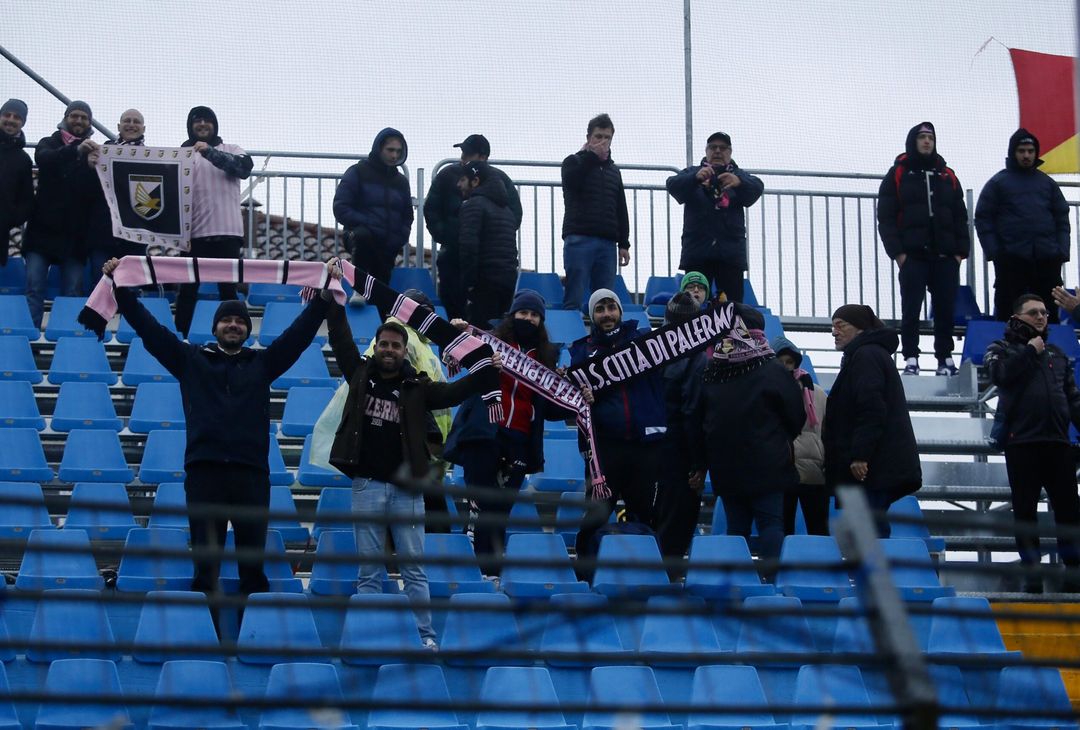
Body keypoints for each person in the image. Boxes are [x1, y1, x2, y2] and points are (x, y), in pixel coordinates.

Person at [101, 256, 333, 631]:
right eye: (227, 319)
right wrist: (121, 289)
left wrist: (322, 299)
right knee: (205, 568)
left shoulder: (264, 363)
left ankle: (254, 637)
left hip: (251, 475)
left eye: (240, 320)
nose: (234, 324)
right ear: (215, 327)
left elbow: (300, 336)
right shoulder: (190, 360)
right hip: (205, 471)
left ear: (247, 328)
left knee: (252, 567)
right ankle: (203, 638)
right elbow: (150, 330)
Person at [324, 285, 502, 649]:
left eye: (396, 345)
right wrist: (331, 300)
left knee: (414, 570)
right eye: (384, 344)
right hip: (367, 486)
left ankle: (425, 636)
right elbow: (341, 339)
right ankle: (369, 637)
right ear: (376, 348)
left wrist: (486, 372)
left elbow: (454, 392)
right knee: (369, 571)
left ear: (406, 351)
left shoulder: (417, 387)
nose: (389, 350)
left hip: (408, 491)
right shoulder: (358, 375)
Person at [445, 290, 570, 565]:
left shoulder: (547, 359)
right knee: (481, 507)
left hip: (519, 441)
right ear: (512, 315)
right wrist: (454, 330)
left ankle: (491, 570)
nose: (528, 318)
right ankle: (476, 572)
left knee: (501, 510)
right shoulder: (488, 343)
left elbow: (550, 411)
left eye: (535, 315)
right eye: (523, 313)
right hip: (483, 434)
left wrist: (569, 392)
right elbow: (455, 350)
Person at [693, 305, 805, 565]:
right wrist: (780, 438)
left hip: (726, 466)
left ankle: (737, 584)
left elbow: (698, 419)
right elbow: (796, 414)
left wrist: (702, 461)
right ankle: (772, 583)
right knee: (771, 525)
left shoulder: (711, 371)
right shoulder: (773, 370)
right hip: (769, 463)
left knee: (736, 529)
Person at [984, 294, 1080, 593]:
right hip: (1022, 444)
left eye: (1045, 313)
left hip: (1059, 443)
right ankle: (1032, 572)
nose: (1041, 317)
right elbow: (1000, 375)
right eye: (1034, 312)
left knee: (1069, 512)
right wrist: (1028, 350)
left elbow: (1072, 398)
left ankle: (1073, 572)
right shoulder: (1000, 349)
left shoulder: (1057, 353)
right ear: (1017, 317)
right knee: (1025, 512)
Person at [570, 288, 665, 562]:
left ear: (620, 312)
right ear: (591, 316)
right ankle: (586, 574)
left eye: (611, 307)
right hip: (603, 450)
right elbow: (571, 400)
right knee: (595, 516)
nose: (606, 314)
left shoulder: (645, 342)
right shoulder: (580, 352)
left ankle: (648, 573)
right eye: (599, 309)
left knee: (646, 515)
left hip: (644, 447)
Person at [877, 122, 969, 376]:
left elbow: (960, 216)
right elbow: (885, 216)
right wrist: (898, 253)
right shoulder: (898, 173)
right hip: (913, 255)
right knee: (911, 308)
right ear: (913, 141)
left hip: (945, 256)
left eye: (931, 137)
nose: (927, 141)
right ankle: (911, 357)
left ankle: (944, 357)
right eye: (922, 137)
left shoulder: (947, 175)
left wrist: (960, 252)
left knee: (945, 308)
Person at [823, 304, 921, 535]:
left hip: (872, 467)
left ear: (860, 329)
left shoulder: (866, 356)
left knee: (869, 530)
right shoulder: (867, 354)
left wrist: (860, 455)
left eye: (840, 325)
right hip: (875, 467)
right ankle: (869, 571)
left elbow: (871, 409)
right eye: (832, 327)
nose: (834, 332)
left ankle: (873, 571)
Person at [361, 287, 453, 529]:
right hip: (409, 443)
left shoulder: (420, 343)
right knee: (433, 522)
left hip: (422, 444)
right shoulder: (402, 337)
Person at [976, 129, 1071, 323]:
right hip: (1011, 261)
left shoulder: (1048, 184)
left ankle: (1048, 353)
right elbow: (983, 218)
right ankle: (1006, 354)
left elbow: (1062, 218)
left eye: (1030, 150)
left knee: (1048, 317)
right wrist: (996, 253)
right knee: (1007, 314)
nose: (1026, 155)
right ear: (1013, 153)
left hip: (1047, 261)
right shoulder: (998, 183)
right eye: (1021, 150)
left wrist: (1061, 252)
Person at [174, 106, 254, 338]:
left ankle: (238, 338)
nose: (202, 125)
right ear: (190, 126)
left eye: (207, 121)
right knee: (187, 292)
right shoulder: (181, 154)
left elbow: (243, 168)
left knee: (229, 291)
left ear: (214, 125)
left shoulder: (231, 148)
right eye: (197, 121)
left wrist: (209, 152)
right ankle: (180, 341)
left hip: (227, 233)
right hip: (192, 236)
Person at [423, 134, 522, 320]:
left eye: (468, 154)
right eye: (462, 153)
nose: (462, 158)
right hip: (453, 257)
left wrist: (489, 239)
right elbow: (431, 210)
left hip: (481, 266)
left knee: (479, 322)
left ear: (483, 158)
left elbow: (513, 216)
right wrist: (447, 237)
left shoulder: (498, 182)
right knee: (455, 311)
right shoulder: (446, 175)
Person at [23, 100, 96, 328]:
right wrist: (75, 150)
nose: (79, 120)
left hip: (74, 238)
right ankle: (29, 335)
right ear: (65, 118)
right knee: (34, 287)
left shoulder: (95, 151)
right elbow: (44, 159)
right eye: (75, 115)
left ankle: (69, 337)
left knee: (73, 292)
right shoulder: (48, 142)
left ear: (89, 123)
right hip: (41, 234)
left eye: (84, 117)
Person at [666, 133, 764, 302]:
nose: (717, 151)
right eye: (713, 147)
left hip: (730, 256)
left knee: (731, 310)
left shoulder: (739, 175)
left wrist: (739, 182)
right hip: (697, 253)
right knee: (692, 309)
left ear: (730, 152)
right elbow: (672, 185)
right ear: (706, 151)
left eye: (723, 148)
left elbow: (757, 188)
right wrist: (695, 179)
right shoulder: (694, 172)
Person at [655, 292, 709, 567]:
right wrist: (699, 463)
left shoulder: (647, 353)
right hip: (680, 454)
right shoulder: (698, 359)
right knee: (676, 527)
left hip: (650, 449)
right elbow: (692, 413)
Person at [333, 128, 412, 304]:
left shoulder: (401, 182)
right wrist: (368, 223)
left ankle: (378, 305)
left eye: (398, 151)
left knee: (380, 295)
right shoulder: (357, 172)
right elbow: (341, 207)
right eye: (390, 150)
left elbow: (407, 215)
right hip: (360, 236)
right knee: (364, 236)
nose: (394, 155)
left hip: (389, 241)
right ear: (379, 148)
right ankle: (359, 289)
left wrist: (401, 237)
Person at [561, 114, 630, 311]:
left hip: (608, 243)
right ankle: (571, 339)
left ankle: (604, 341)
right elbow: (572, 182)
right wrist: (591, 157)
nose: (602, 141)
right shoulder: (572, 162)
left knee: (605, 300)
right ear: (588, 137)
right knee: (574, 295)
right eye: (598, 136)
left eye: (607, 137)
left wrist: (624, 243)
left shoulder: (614, 171)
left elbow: (620, 208)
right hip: (578, 239)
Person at [82, 109, 149, 287]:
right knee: (100, 289)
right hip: (103, 234)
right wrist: (89, 166)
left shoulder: (152, 159)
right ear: (119, 126)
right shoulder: (101, 152)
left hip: (135, 236)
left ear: (143, 128)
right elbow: (87, 191)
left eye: (136, 121)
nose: (132, 124)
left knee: (130, 292)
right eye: (127, 120)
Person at [771, 336, 829, 536]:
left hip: (814, 470)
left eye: (790, 362)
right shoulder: (767, 390)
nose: (786, 367)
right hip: (782, 469)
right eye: (780, 362)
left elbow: (827, 431)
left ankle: (820, 566)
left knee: (819, 528)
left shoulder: (818, 393)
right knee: (784, 528)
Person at [457, 161, 519, 327]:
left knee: (480, 337)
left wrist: (468, 283)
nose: (459, 184)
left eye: (463, 179)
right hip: (507, 281)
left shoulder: (472, 205)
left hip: (484, 283)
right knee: (499, 337)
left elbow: (468, 247)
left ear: (475, 181)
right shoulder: (507, 210)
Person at [0, 98, 32, 269]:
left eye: (17, 117)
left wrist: (6, 219)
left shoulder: (23, 159)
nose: (11, 120)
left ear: (22, 123)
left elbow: (26, 200)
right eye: (7, 114)